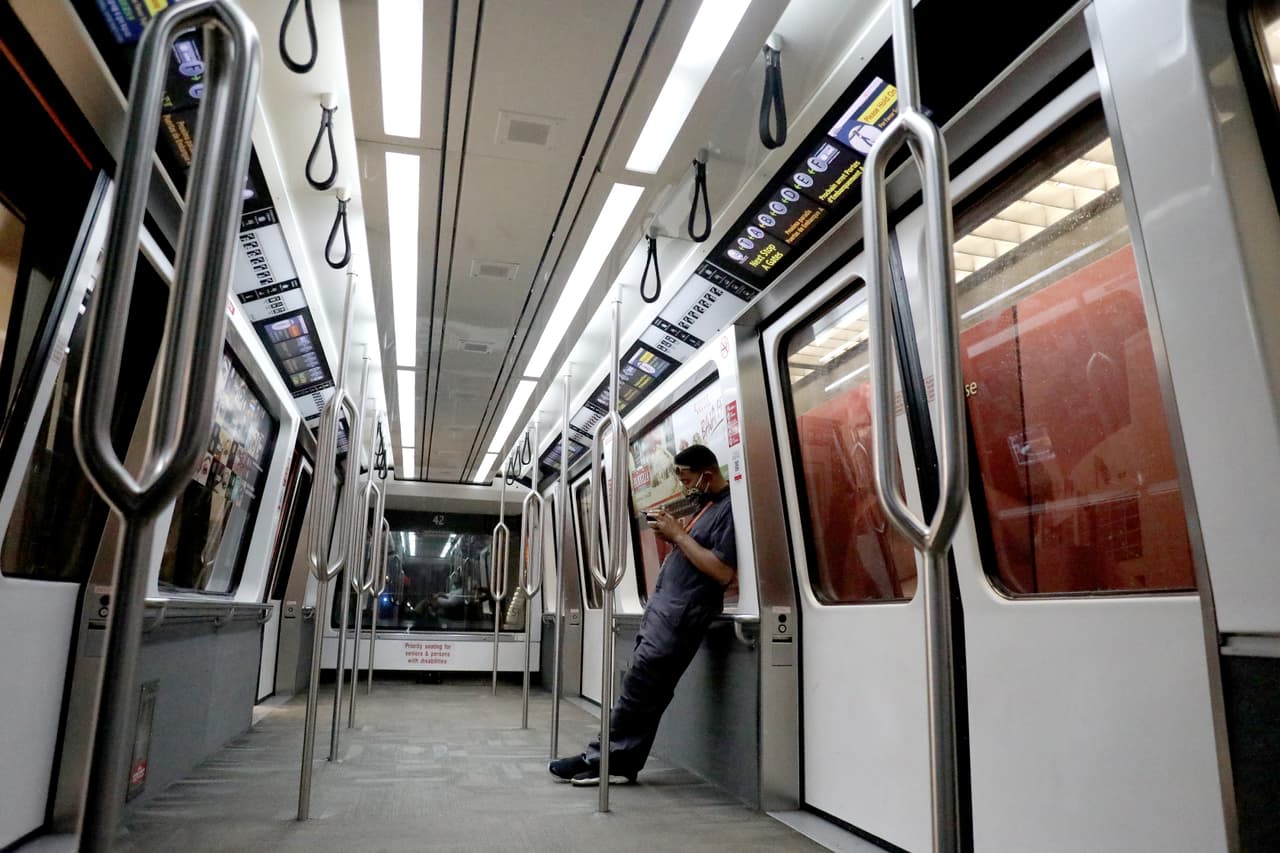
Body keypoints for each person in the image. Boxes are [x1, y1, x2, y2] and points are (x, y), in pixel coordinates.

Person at [549, 444, 736, 786]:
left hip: (683, 617)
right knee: (641, 689)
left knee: (642, 688)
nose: (683, 485)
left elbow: (722, 571)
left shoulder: (728, 510)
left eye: (686, 477)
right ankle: (615, 759)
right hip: (666, 614)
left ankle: (604, 759)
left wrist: (678, 535)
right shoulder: (704, 507)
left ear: (707, 475)